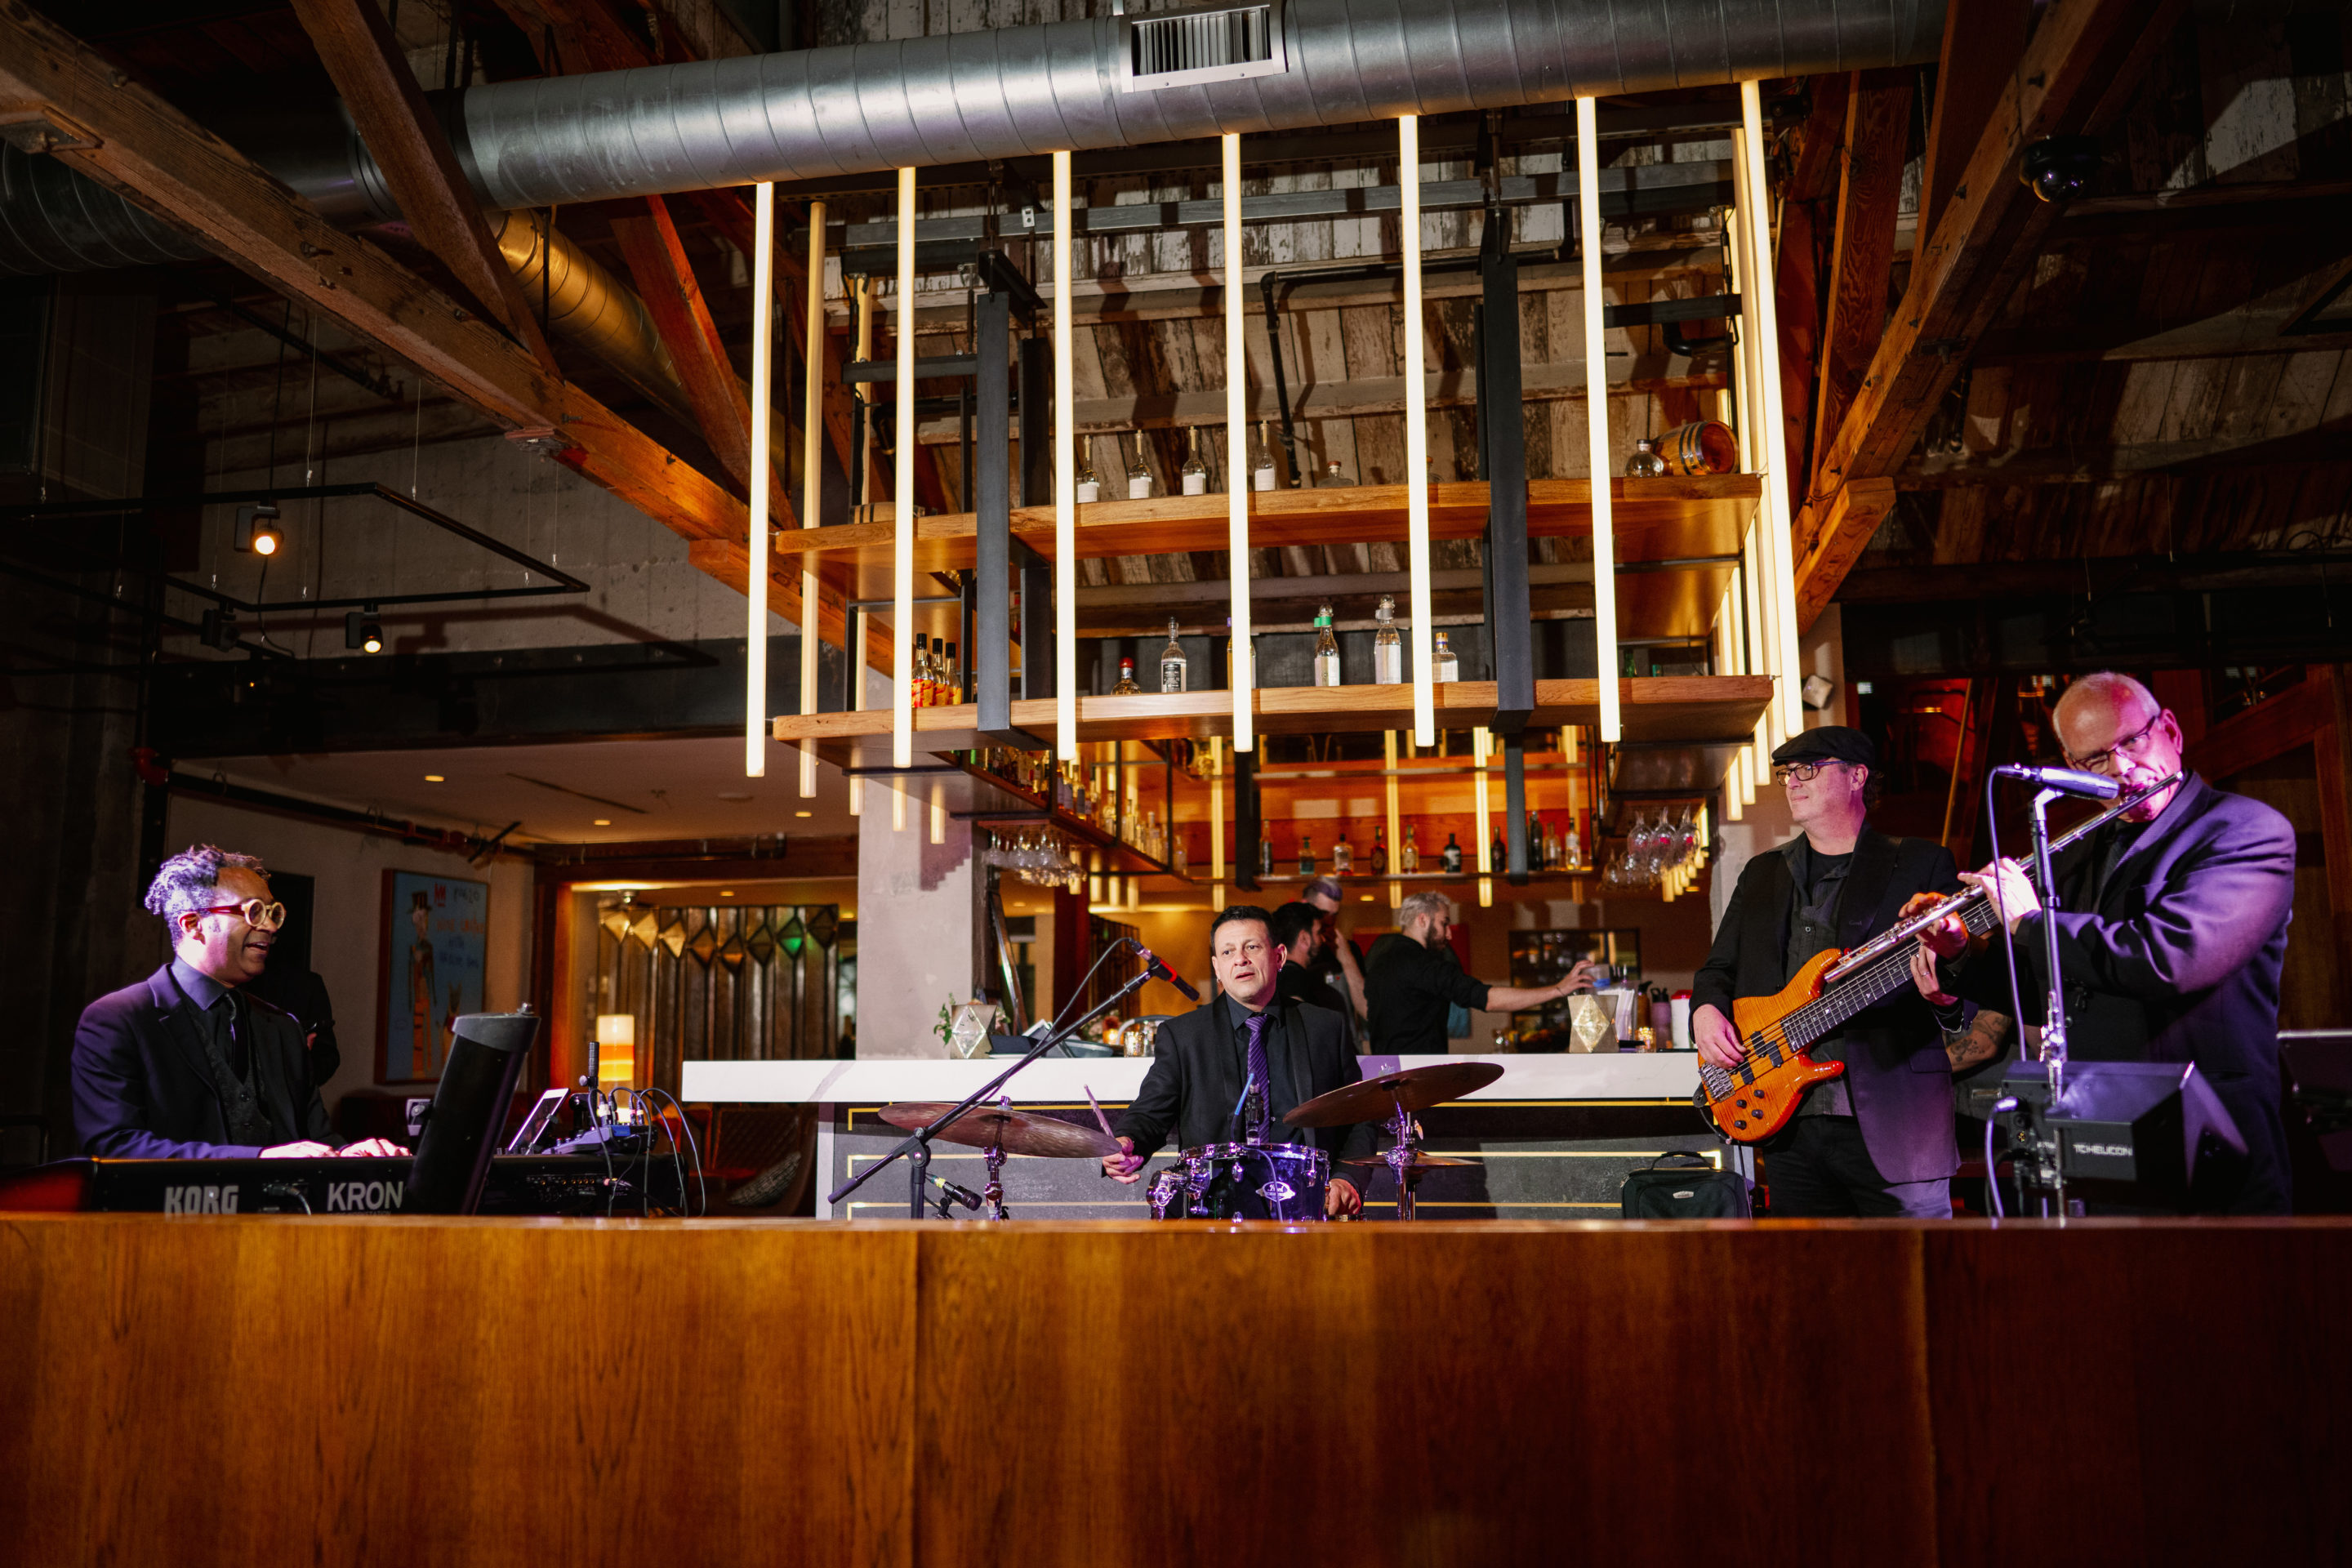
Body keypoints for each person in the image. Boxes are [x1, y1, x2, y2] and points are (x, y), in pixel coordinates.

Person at [1918, 671, 2297, 1214]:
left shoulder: (2244, 831)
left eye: (2132, 742)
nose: (2121, 769)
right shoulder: (2080, 849)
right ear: (2073, 770)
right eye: (2095, 760)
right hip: (2102, 1137)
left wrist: (2029, 921)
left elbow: (2168, 958)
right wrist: (1961, 956)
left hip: (2210, 1141)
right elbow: (2054, 977)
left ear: (2170, 729)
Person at [1690, 727, 1967, 1218]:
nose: (1793, 782)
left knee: (1919, 1281)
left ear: (1857, 776)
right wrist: (1706, 1011)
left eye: (1808, 770)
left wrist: (1947, 993)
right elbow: (1719, 968)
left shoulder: (1919, 863)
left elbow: (1959, 970)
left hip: (1895, 1121)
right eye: (1786, 774)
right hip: (1790, 1126)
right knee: (1811, 1283)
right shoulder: (1762, 872)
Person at [72, 845, 405, 1160]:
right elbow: (115, 1144)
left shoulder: (283, 1027)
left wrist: (347, 1155)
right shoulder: (119, 1019)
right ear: (193, 925)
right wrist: (257, 1158)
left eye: (274, 913)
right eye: (254, 912)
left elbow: (316, 1138)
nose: (271, 927)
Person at [1102, 906, 1373, 1217]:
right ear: (1217, 968)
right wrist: (1127, 1143)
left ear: (1279, 956)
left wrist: (1347, 1180)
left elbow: (1359, 1118)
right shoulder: (1184, 1036)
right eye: (1228, 952)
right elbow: (1150, 1114)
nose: (1240, 959)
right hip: (1213, 1213)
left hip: (1307, 1209)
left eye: (1252, 947)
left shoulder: (1325, 1028)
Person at [1364, 890, 1592, 1055]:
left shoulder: (1380, 958)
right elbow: (1488, 999)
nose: (1449, 934)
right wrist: (1558, 989)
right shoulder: (1425, 965)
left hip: (1382, 1074)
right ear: (1422, 920)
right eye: (1445, 923)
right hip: (1417, 1078)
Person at [1301, 877, 1369, 1037]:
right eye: (1323, 913)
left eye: (1335, 914)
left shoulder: (1348, 948)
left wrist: (1346, 958)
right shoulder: (1292, 950)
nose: (1330, 921)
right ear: (1305, 906)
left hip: (1347, 1048)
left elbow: (1366, 1009)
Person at [1269, 901, 1330, 1012]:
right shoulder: (1295, 980)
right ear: (1304, 938)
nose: (1323, 939)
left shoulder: (1274, 975)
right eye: (1319, 933)